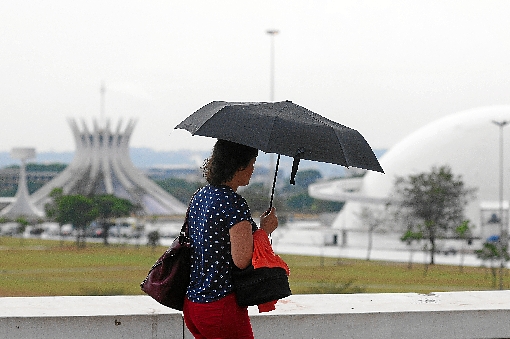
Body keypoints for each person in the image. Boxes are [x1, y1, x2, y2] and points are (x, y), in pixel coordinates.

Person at [183, 139, 279, 339]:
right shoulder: (233, 203)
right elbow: (241, 259)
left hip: (193, 304)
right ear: (240, 167)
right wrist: (264, 230)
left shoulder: (201, 195)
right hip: (220, 304)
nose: (253, 170)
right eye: (252, 164)